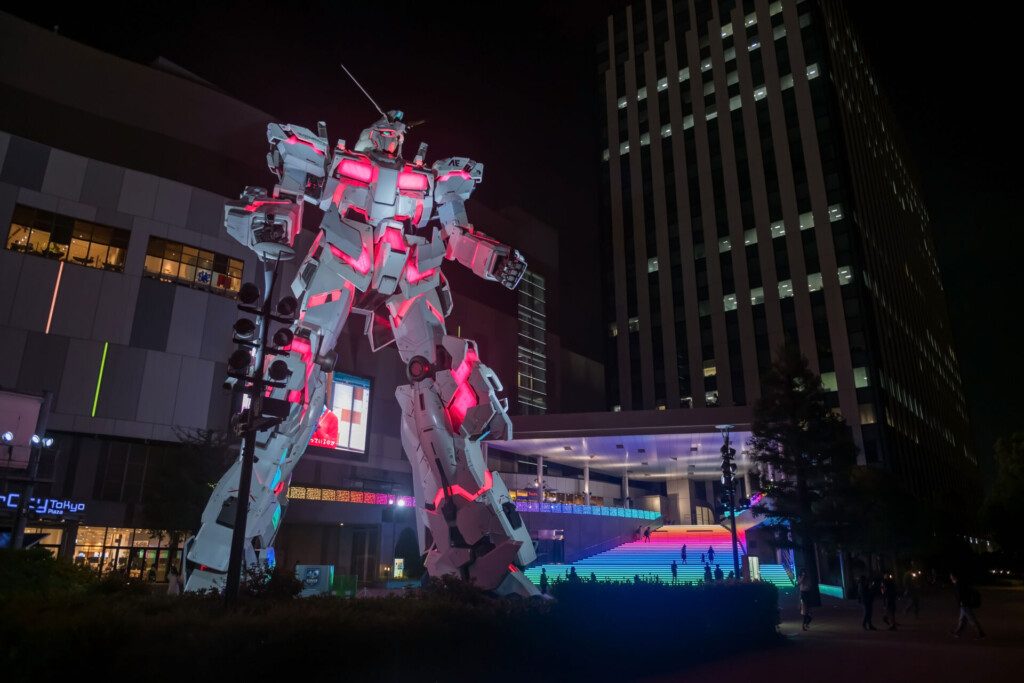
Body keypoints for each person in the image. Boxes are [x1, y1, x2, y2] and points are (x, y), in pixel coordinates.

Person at [950, 572, 985, 638]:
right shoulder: (959, 584)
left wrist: (961, 602)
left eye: (951, 576)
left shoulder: (958, 584)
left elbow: (960, 595)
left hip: (964, 604)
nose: (950, 578)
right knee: (962, 619)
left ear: (954, 577)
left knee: (971, 620)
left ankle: (980, 633)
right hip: (964, 604)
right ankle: (958, 632)